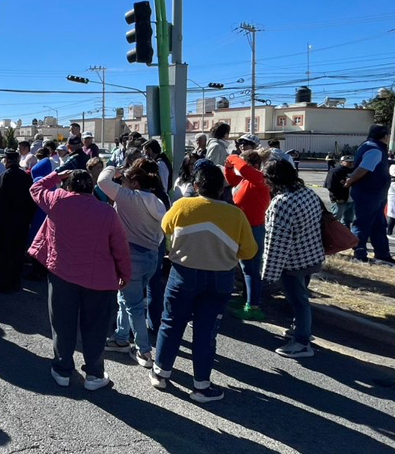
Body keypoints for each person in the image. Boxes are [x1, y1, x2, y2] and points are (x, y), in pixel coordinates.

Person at [151, 165, 257, 402]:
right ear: (222, 189)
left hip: (183, 274)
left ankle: (160, 372)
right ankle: (201, 385)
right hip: (220, 277)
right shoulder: (236, 215)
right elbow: (249, 251)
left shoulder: (182, 206)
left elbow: (165, 228)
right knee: (206, 331)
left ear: (195, 186)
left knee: (171, 323)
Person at [30, 169, 130, 391]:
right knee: (95, 327)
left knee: (62, 324)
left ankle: (62, 369)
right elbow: (120, 248)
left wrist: (56, 175)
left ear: (69, 186)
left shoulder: (58, 201)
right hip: (99, 279)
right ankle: (94, 375)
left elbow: (36, 188)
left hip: (61, 275)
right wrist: (124, 274)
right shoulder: (106, 212)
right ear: (91, 187)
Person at [98, 159, 168, 367]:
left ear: (135, 183)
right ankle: (121, 337)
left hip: (130, 258)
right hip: (151, 257)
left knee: (134, 305)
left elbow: (102, 181)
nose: (121, 183)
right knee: (126, 299)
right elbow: (162, 232)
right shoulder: (157, 201)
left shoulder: (128, 197)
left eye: (125, 180)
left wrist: (113, 168)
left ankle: (144, 351)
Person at [261, 159, 324, 359]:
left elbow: (276, 242)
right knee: (301, 297)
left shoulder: (281, 203)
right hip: (311, 255)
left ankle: (302, 342)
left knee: (298, 301)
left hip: (293, 261)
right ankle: (300, 329)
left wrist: (267, 274)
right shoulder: (308, 193)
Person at [225, 145, 271, 321]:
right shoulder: (245, 180)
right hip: (243, 227)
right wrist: (229, 166)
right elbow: (231, 179)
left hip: (253, 229)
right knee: (245, 269)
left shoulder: (260, 178)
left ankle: (253, 307)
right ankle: (247, 299)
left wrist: (233, 158)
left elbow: (243, 169)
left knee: (251, 269)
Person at [344, 124, 395, 266]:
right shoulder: (375, 149)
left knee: (379, 224)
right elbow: (363, 169)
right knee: (362, 223)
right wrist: (350, 181)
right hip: (368, 193)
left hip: (375, 193)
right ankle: (359, 254)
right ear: (385, 136)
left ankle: (382, 254)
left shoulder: (369, 145)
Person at [0, 148, 36, 293]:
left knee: (3, 252)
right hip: (22, 220)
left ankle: (2, 282)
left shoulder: (2, 176)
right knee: (18, 252)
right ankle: (15, 282)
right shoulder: (25, 177)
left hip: (5, 221)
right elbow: (32, 200)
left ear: (6, 160)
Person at [325, 154, 355, 225]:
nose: (350, 164)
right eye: (348, 162)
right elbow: (330, 186)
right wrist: (337, 198)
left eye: (352, 162)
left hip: (352, 201)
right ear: (341, 162)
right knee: (335, 220)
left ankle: (345, 235)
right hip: (340, 201)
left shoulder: (355, 171)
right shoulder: (335, 172)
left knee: (348, 221)